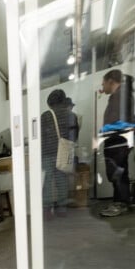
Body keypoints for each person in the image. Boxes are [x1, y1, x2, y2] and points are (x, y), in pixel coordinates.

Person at [99, 69, 135, 217]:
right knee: (119, 173)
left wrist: (104, 132)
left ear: (111, 81)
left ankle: (121, 203)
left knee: (117, 173)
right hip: (119, 141)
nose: (103, 86)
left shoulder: (120, 96)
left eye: (103, 83)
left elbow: (118, 122)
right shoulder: (122, 95)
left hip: (117, 141)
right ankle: (121, 202)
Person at [40, 89, 79, 219]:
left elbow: (40, 137)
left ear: (50, 102)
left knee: (48, 181)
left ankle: (46, 211)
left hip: (47, 153)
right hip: (64, 153)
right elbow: (74, 136)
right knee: (62, 180)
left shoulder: (45, 115)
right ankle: (62, 209)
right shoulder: (71, 115)